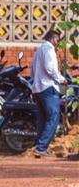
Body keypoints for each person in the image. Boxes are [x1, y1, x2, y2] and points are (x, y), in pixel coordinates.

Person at [30, 29, 67, 158]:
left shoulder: (39, 50)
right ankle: (41, 147)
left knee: (43, 118)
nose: (58, 41)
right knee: (53, 116)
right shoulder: (49, 49)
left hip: (38, 88)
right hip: (48, 87)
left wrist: (36, 81)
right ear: (52, 38)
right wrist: (61, 79)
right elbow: (50, 68)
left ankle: (39, 147)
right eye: (57, 38)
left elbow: (32, 70)